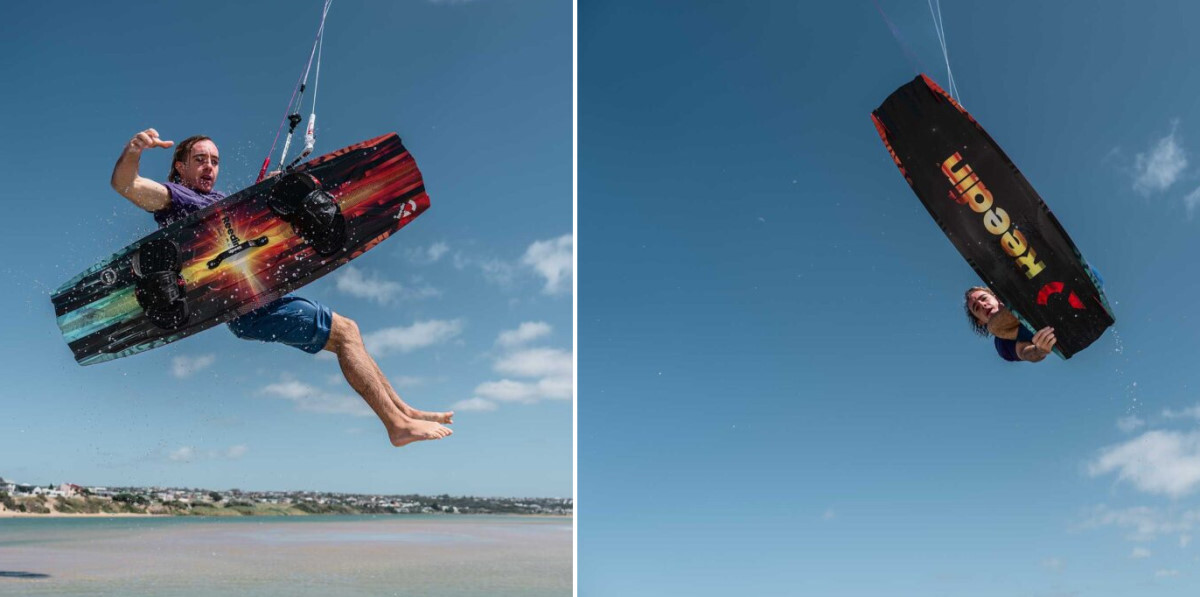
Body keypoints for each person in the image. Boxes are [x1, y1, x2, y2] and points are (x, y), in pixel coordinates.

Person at [110, 128, 453, 447]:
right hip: (248, 308)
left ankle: (403, 412)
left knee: (350, 333)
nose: (209, 166)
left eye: (215, 161)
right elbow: (126, 185)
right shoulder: (178, 198)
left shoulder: (221, 202)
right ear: (180, 168)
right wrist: (134, 150)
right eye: (200, 160)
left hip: (263, 295)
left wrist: (267, 198)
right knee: (346, 332)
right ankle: (396, 425)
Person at [964, 286, 1056, 363]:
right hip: (1057, 332)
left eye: (984, 298)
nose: (982, 305)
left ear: (997, 298)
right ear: (980, 321)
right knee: (994, 326)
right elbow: (1024, 352)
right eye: (977, 308)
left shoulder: (1016, 293)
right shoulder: (1002, 343)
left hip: (1052, 299)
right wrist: (1039, 351)